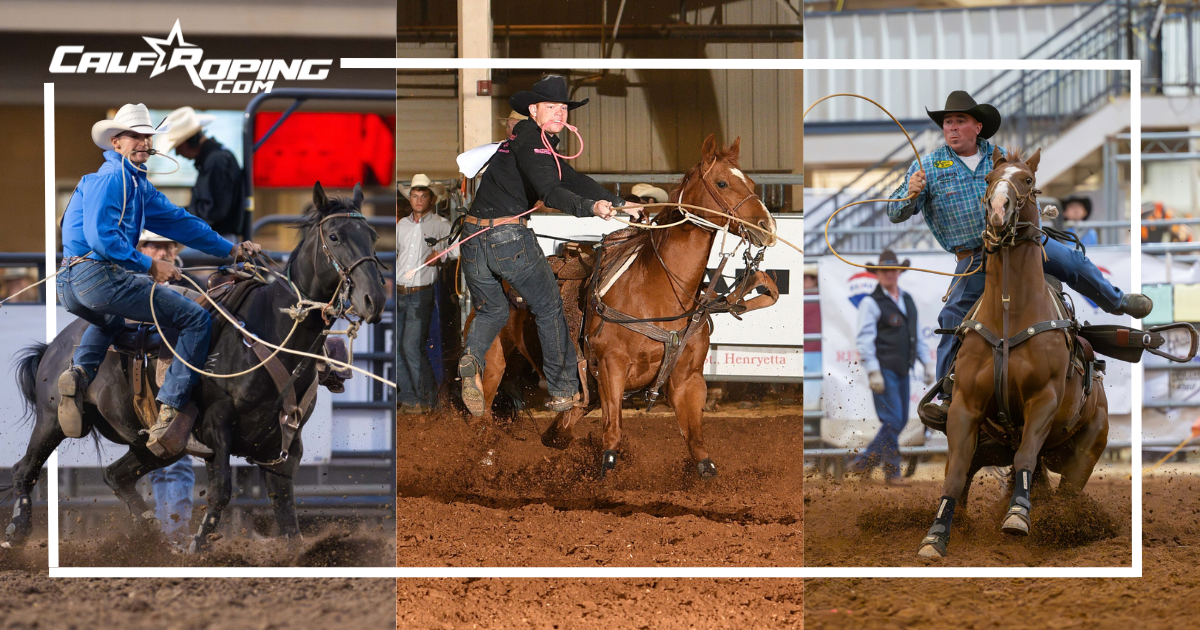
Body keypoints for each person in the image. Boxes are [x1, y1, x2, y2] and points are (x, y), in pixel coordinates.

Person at [886, 91, 1153, 425]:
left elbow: (1023, 192)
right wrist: (911, 192)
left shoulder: (998, 157)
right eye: (947, 122)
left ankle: (1116, 301)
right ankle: (947, 394)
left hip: (1024, 243)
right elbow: (894, 212)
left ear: (977, 126)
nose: (951, 128)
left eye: (959, 121)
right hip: (976, 256)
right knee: (952, 317)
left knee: (1072, 263)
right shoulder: (927, 167)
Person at [56, 103, 262, 455]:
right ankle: (171, 412)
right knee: (195, 318)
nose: (142, 142)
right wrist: (150, 266)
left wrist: (229, 249)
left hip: (71, 285)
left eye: (146, 136)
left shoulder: (130, 182)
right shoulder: (115, 180)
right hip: (96, 277)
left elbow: (179, 221)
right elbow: (101, 238)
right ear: (116, 142)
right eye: (134, 136)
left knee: (110, 318)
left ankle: (79, 374)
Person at [458, 74, 642, 416]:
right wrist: (591, 207)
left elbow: (569, 178)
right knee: (549, 308)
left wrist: (616, 202)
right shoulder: (535, 142)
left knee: (493, 311)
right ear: (533, 109)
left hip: (472, 241)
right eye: (551, 107)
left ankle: (471, 358)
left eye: (563, 107)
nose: (559, 113)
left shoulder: (525, 139)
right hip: (507, 239)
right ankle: (562, 389)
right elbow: (551, 191)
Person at [850, 250, 934, 486]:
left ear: (899, 272)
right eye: (884, 271)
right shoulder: (871, 302)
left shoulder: (906, 299)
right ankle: (878, 466)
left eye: (892, 270)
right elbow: (865, 339)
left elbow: (915, 334)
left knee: (896, 421)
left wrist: (926, 361)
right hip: (884, 368)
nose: (889, 274)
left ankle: (875, 467)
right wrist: (873, 370)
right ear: (877, 274)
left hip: (902, 369)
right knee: (894, 420)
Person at [137, 230, 197, 547]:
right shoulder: (130, 286)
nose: (162, 252)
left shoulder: (188, 288)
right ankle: (171, 539)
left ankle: (171, 539)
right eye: (153, 246)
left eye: (167, 246)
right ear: (141, 249)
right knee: (165, 464)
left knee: (172, 461)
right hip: (147, 389)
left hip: (167, 387)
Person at [396, 173, 455, 413]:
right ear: (410, 199)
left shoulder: (441, 225)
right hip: (400, 292)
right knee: (398, 348)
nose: (418, 200)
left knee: (410, 346)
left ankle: (430, 399)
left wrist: (442, 255)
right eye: (415, 195)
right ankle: (411, 399)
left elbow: (458, 249)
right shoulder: (402, 225)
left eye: (423, 196)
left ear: (431, 199)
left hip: (421, 293)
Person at [157, 106, 246, 241]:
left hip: (219, 238)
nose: (178, 153)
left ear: (191, 141)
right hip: (217, 237)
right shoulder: (215, 158)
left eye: (178, 147)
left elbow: (212, 213)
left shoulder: (216, 161)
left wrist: (175, 216)